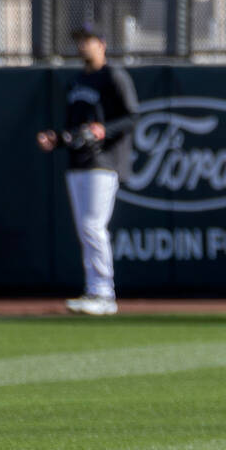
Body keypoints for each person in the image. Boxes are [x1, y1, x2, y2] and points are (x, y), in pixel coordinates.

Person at [37, 22, 138, 316]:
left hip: (104, 162)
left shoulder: (113, 76)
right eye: (79, 40)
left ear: (102, 43)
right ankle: (93, 290)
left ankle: (105, 293)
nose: (83, 45)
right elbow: (74, 130)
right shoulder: (77, 82)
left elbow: (133, 116)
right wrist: (57, 139)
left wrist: (105, 129)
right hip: (77, 162)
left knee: (93, 226)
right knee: (86, 230)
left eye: (88, 40)